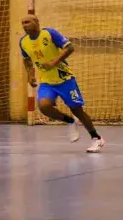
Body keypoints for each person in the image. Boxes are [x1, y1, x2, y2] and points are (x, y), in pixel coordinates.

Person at [20, 15, 105, 153]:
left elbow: (70, 48)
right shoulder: (23, 42)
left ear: (36, 22)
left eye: (28, 22)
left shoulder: (49, 33)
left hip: (65, 79)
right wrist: (30, 75)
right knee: (44, 106)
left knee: (77, 110)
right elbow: (27, 60)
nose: (25, 25)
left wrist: (54, 62)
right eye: (23, 23)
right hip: (47, 82)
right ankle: (70, 121)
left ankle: (97, 138)